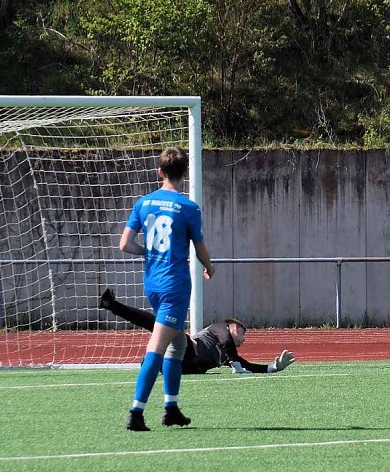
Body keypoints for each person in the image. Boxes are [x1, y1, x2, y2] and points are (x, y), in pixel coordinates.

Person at [119, 146, 215, 432]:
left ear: (159, 171)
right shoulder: (188, 207)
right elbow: (199, 249)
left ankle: (171, 408)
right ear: (185, 172)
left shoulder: (143, 203)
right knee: (157, 347)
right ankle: (136, 412)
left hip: (153, 283)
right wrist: (210, 267)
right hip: (175, 285)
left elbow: (125, 244)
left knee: (178, 343)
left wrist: (148, 252)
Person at [99, 289, 296, 375]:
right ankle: (113, 305)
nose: (244, 340)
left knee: (164, 365)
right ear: (235, 327)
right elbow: (226, 341)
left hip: (188, 367)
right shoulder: (221, 328)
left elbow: (247, 365)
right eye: (243, 334)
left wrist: (273, 367)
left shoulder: (230, 355)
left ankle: (153, 361)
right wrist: (235, 364)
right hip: (185, 348)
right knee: (159, 324)